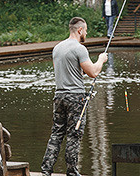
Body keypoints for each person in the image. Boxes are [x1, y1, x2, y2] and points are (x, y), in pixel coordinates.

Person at [40, 17, 107, 176]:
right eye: (85, 30)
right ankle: (72, 171)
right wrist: (101, 60)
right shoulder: (79, 48)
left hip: (59, 96)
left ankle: (45, 170)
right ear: (79, 30)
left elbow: (67, 70)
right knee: (73, 135)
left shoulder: (57, 48)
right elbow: (93, 72)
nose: (86, 33)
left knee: (56, 134)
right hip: (76, 98)